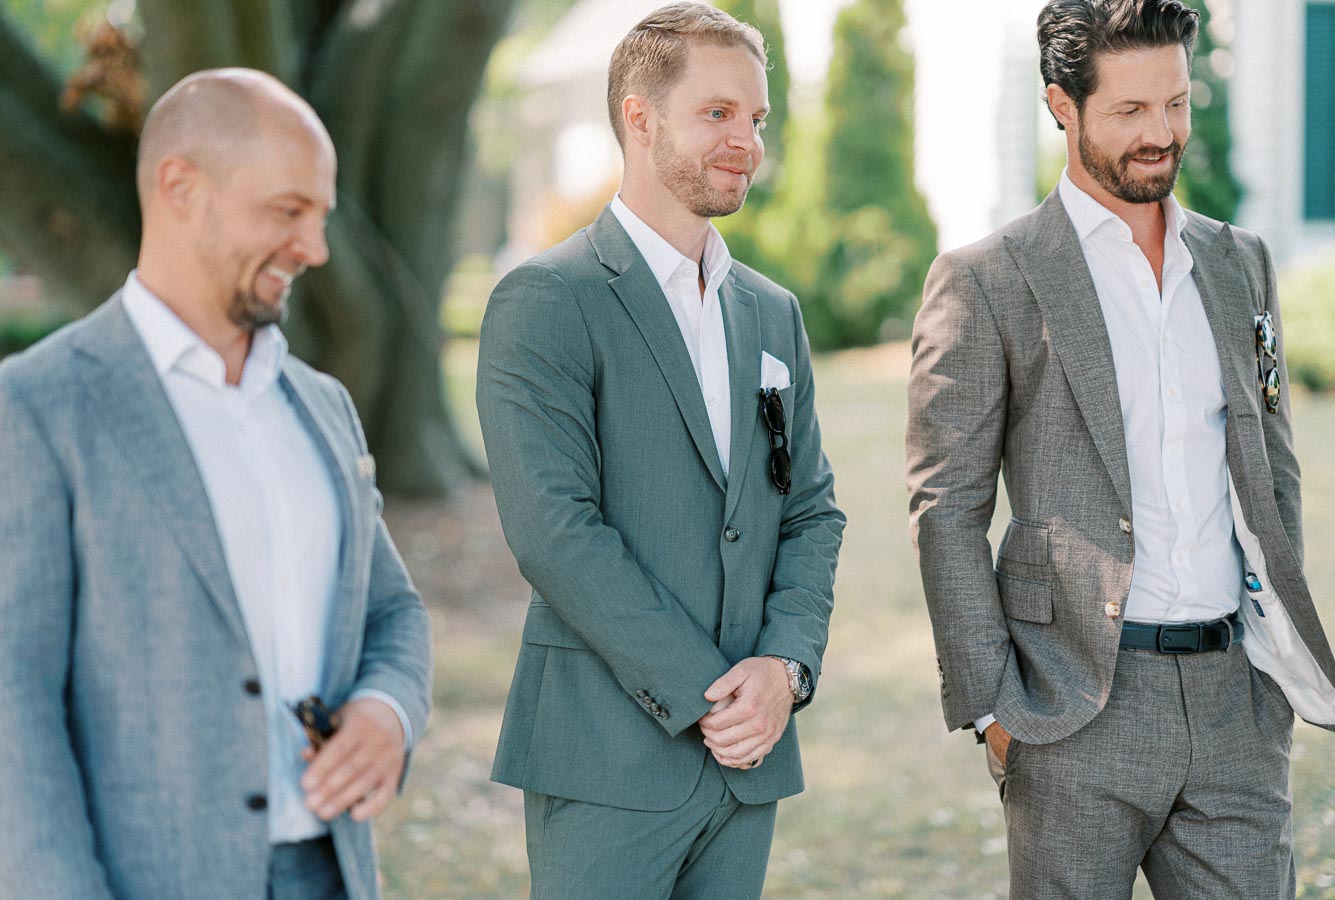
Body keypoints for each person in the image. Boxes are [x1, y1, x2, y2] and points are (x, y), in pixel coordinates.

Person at [906, 1, 1335, 896]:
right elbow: (946, 507)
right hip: (1071, 706)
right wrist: (993, 707)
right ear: (1062, 107)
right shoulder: (987, 279)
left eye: (1177, 105)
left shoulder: (1240, 263)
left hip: (1237, 704)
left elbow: (1273, 467)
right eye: (1131, 112)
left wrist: (1269, 671)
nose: (1163, 135)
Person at [0, 68, 433, 900]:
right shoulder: (40, 406)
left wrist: (388, 711)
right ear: (180, 188)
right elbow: (13, 707)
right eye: (288, 211)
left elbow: (393, 611)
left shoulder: (323, 407)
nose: (315, 249)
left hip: (332, 875)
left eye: (321, 216)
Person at [476, 4, 845, 897]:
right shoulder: (546, 299)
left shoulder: (772, 313)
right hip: (605, 762)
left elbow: (810, 509)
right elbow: (555, 533)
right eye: (718, 113)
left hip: (746, 769)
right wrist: (716, 695)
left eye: (756, 119)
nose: (747, 142)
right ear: (639, 119)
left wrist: (784, 671)